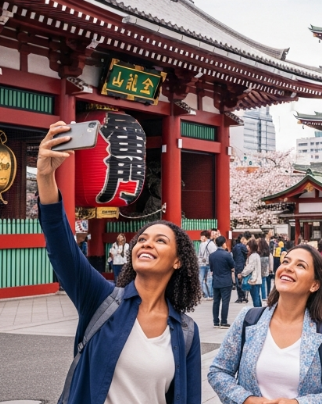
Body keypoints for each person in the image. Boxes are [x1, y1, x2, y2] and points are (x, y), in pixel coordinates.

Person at [36, 121, 201, 403]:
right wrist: (44, 177)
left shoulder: (185, 331)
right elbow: (62, 247)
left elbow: (189, 398)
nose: (146, 242)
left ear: (178, 262)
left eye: (161, 241)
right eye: (143, 239)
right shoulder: (101, 301)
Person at [209, 244, 322, 404]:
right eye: (285, 262)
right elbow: (218, 371)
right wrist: (247, 400)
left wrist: (297, 403)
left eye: (300, 265)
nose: (288, 268)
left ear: (314, 284)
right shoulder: (248, 319)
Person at [210, 236, 235, 329]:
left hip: (216, 281)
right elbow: (233, 266)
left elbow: (211, 268)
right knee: (225, 301)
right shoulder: (227, 255)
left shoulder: (212, 255)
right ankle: (224, 321)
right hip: (226, 281)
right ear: (224, 243)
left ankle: (215, 321)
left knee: (216, 302)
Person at [242, 239, 263, 307]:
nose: (246, 247)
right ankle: (259, 310)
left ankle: (257, 311)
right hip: (257, 279)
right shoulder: (256, 255)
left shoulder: (253, 256)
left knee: (255, 297)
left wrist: (242, 273)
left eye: (247, 245)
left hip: (253, 279)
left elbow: (250, 267)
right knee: (257, 296)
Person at [198, 230, 216, 300]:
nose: (200, 237)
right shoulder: (210, 244)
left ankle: (207, 294)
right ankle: (209, 295)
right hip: (207, 264)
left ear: (204, 236)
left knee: (202, 280)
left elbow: (200, 255)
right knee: (208, 280)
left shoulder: (207, 244)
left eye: (201, 236)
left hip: (204, 264)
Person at [232, 236, 248, 303]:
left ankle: (239, 297)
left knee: (238, 281)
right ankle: (244, 296)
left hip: (236, 264)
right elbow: (246, 254)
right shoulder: (243, 247)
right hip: (242, 265)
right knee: (243, 281)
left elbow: (234, 256)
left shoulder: (235, 247)